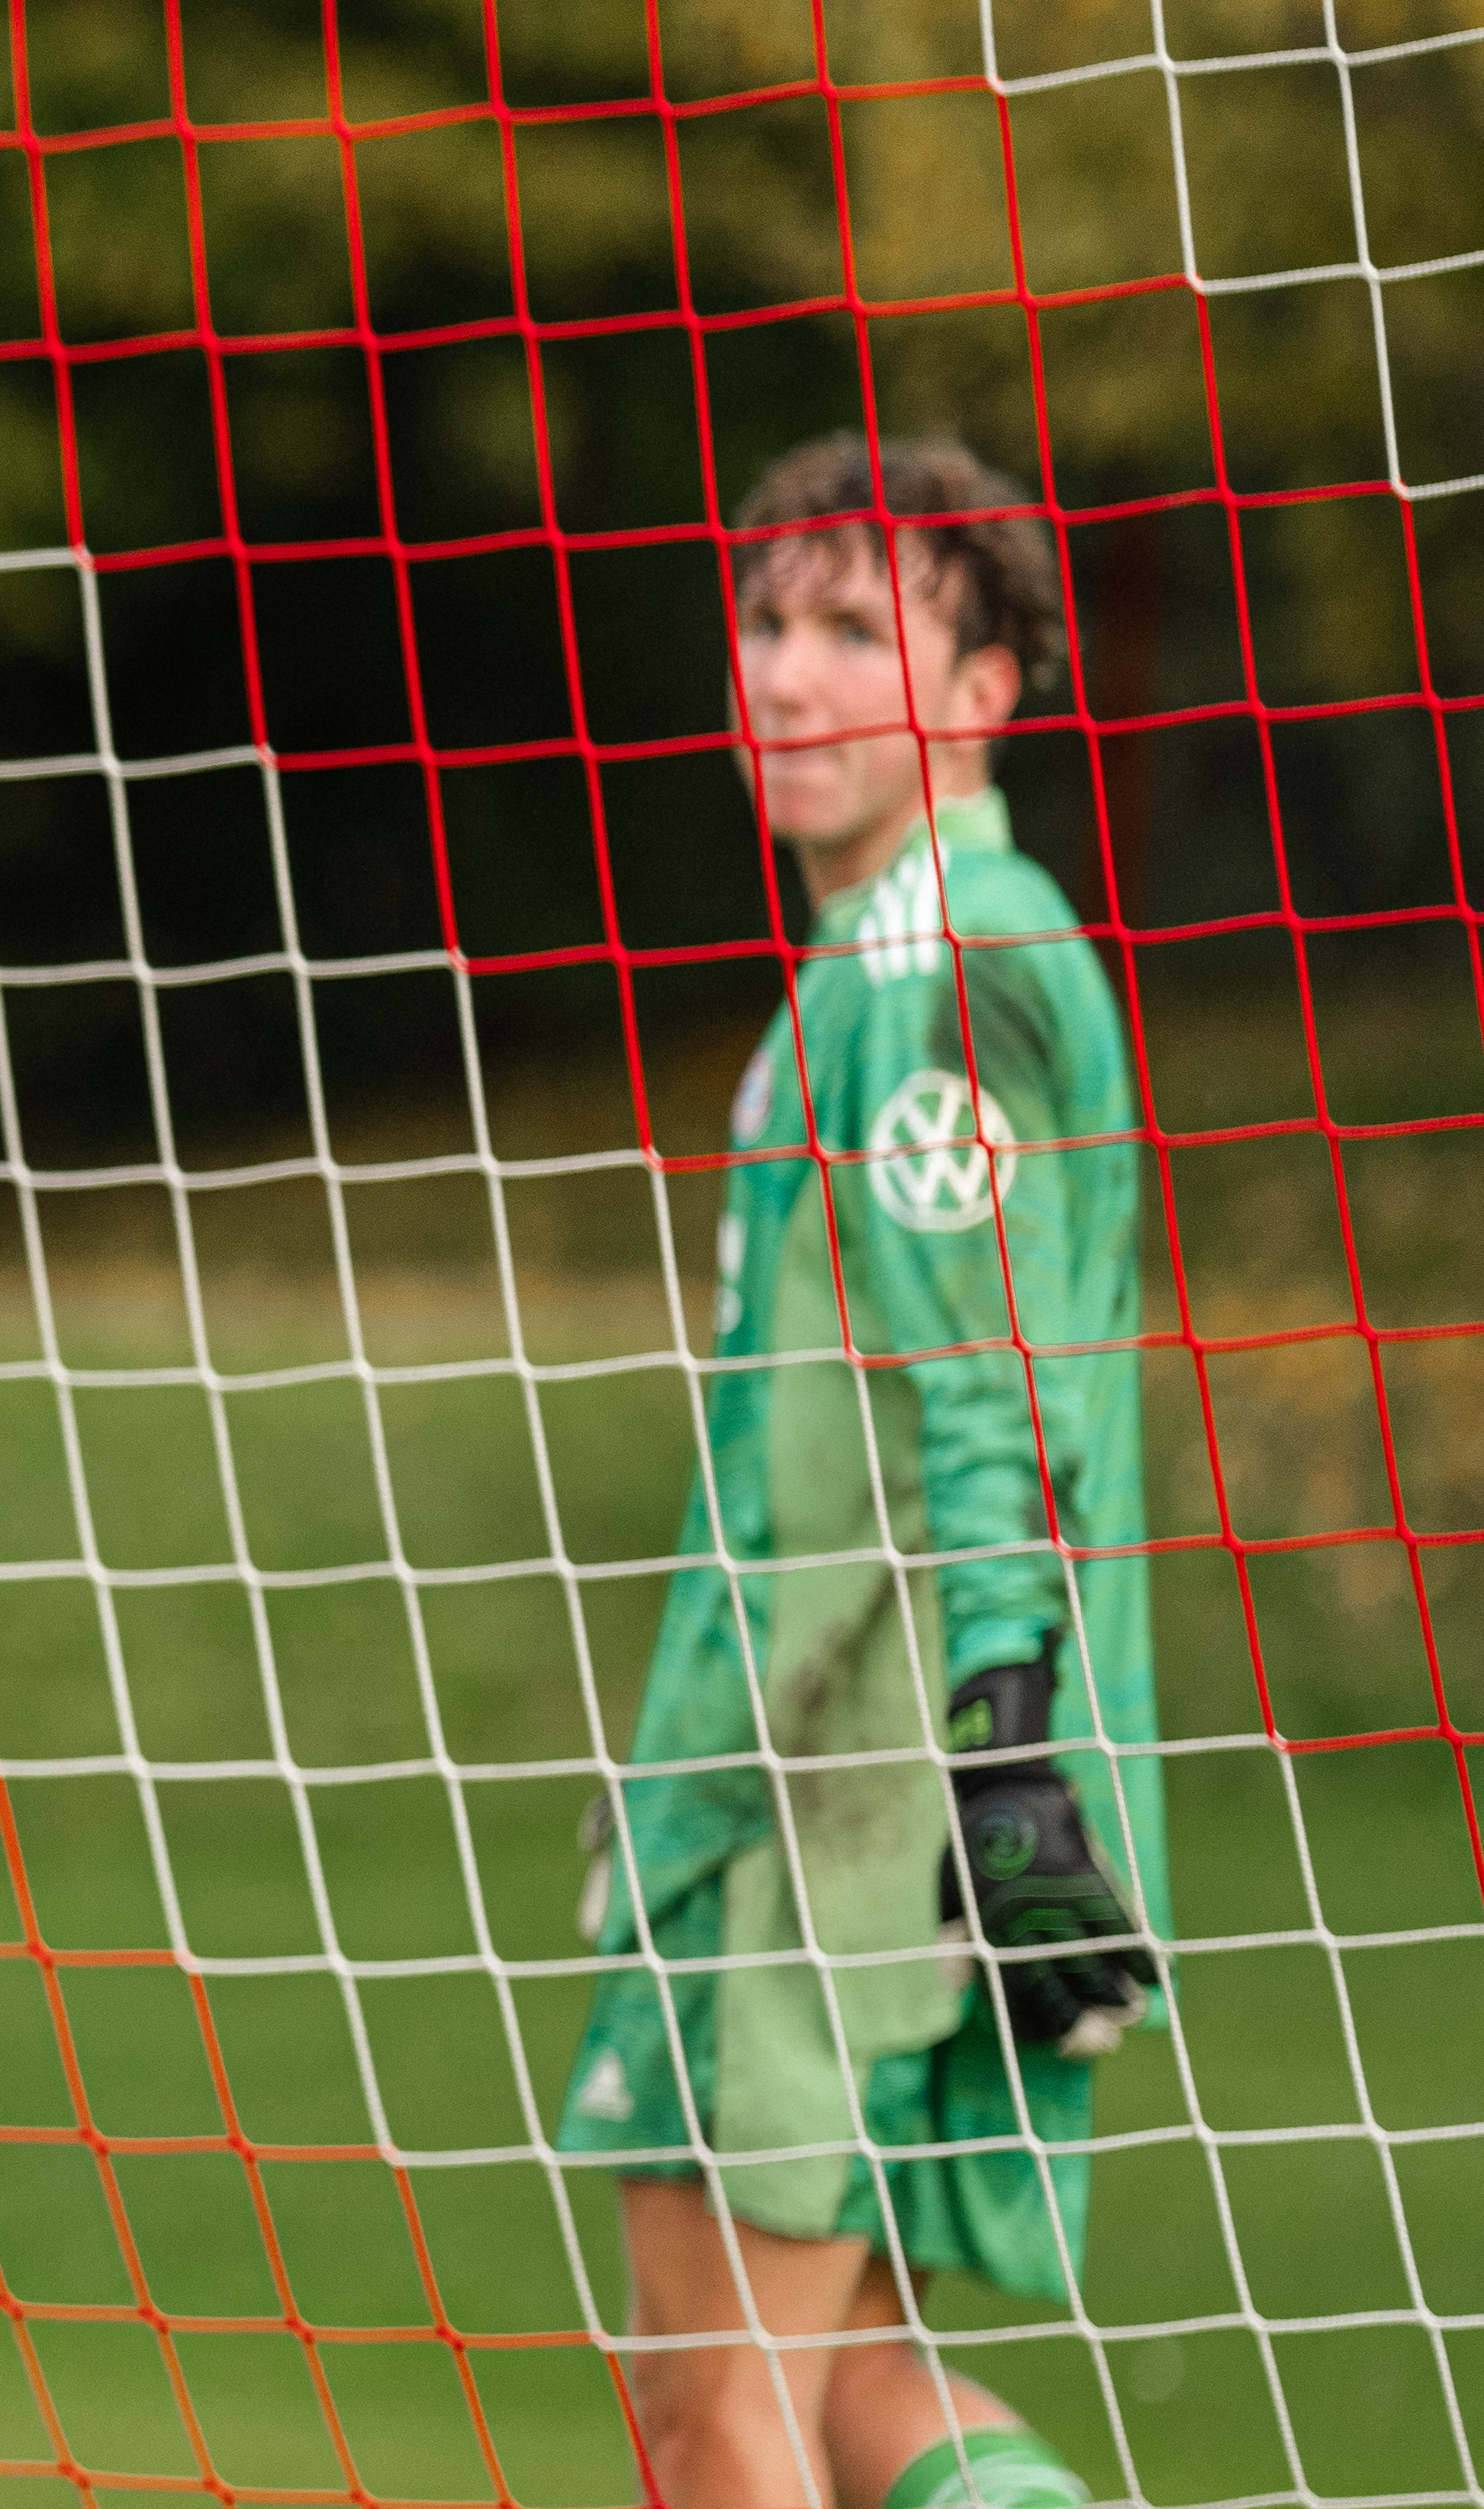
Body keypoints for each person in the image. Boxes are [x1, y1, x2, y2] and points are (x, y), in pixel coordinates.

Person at [561, 432, 1162, 2509]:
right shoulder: (902, 951)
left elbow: (991, 1391)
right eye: (762, 625)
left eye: (851, 631)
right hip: (877, 1752)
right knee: (850, 2384)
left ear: (986, 689)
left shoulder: (937, 960)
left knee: (705, 2402)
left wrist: (1003, 1747)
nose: (784, 679)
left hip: (856, 1775)